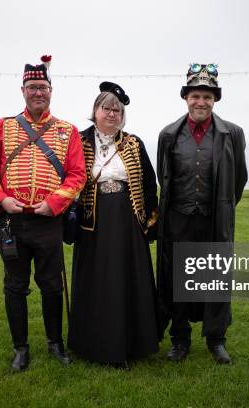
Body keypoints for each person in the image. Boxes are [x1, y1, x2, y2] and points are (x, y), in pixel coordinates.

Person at [0, 55, 86, 372]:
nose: (38, 92)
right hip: (12, 222)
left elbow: (77, 175)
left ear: (51, 90)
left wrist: (54, 203)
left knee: (52, 285)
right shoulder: (4, 126)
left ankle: (55, 343)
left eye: (43, 87)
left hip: (49, 222)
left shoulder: (68, 130)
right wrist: (0, 200)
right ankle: (20, 349)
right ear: (23, 90)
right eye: (32, 87)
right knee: (15, 286)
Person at [156, 63, 248, 364]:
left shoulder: (232, 133)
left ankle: (216, 340)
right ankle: (179, 339)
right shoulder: (168, 134)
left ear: (215, 100)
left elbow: (239, 179)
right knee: (178, 280)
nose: (201, 102)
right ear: (186, 98)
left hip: (214, 220)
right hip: (178, 219)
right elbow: (164, 179)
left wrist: (221, 206)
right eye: (196, 95)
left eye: (207, 96)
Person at [68, 82, 160, 368]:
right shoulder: (78, 141)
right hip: (91, 224)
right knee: (97, 282)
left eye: (117, 110)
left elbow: (148, 184)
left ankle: (131, 343)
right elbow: (68, 178)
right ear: (95, 111)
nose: (111, 114)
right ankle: (92, 343)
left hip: (128, 224)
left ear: (122, 115)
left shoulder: (133, 143)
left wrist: (151, 222)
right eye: (106, 108)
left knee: (126, 280)